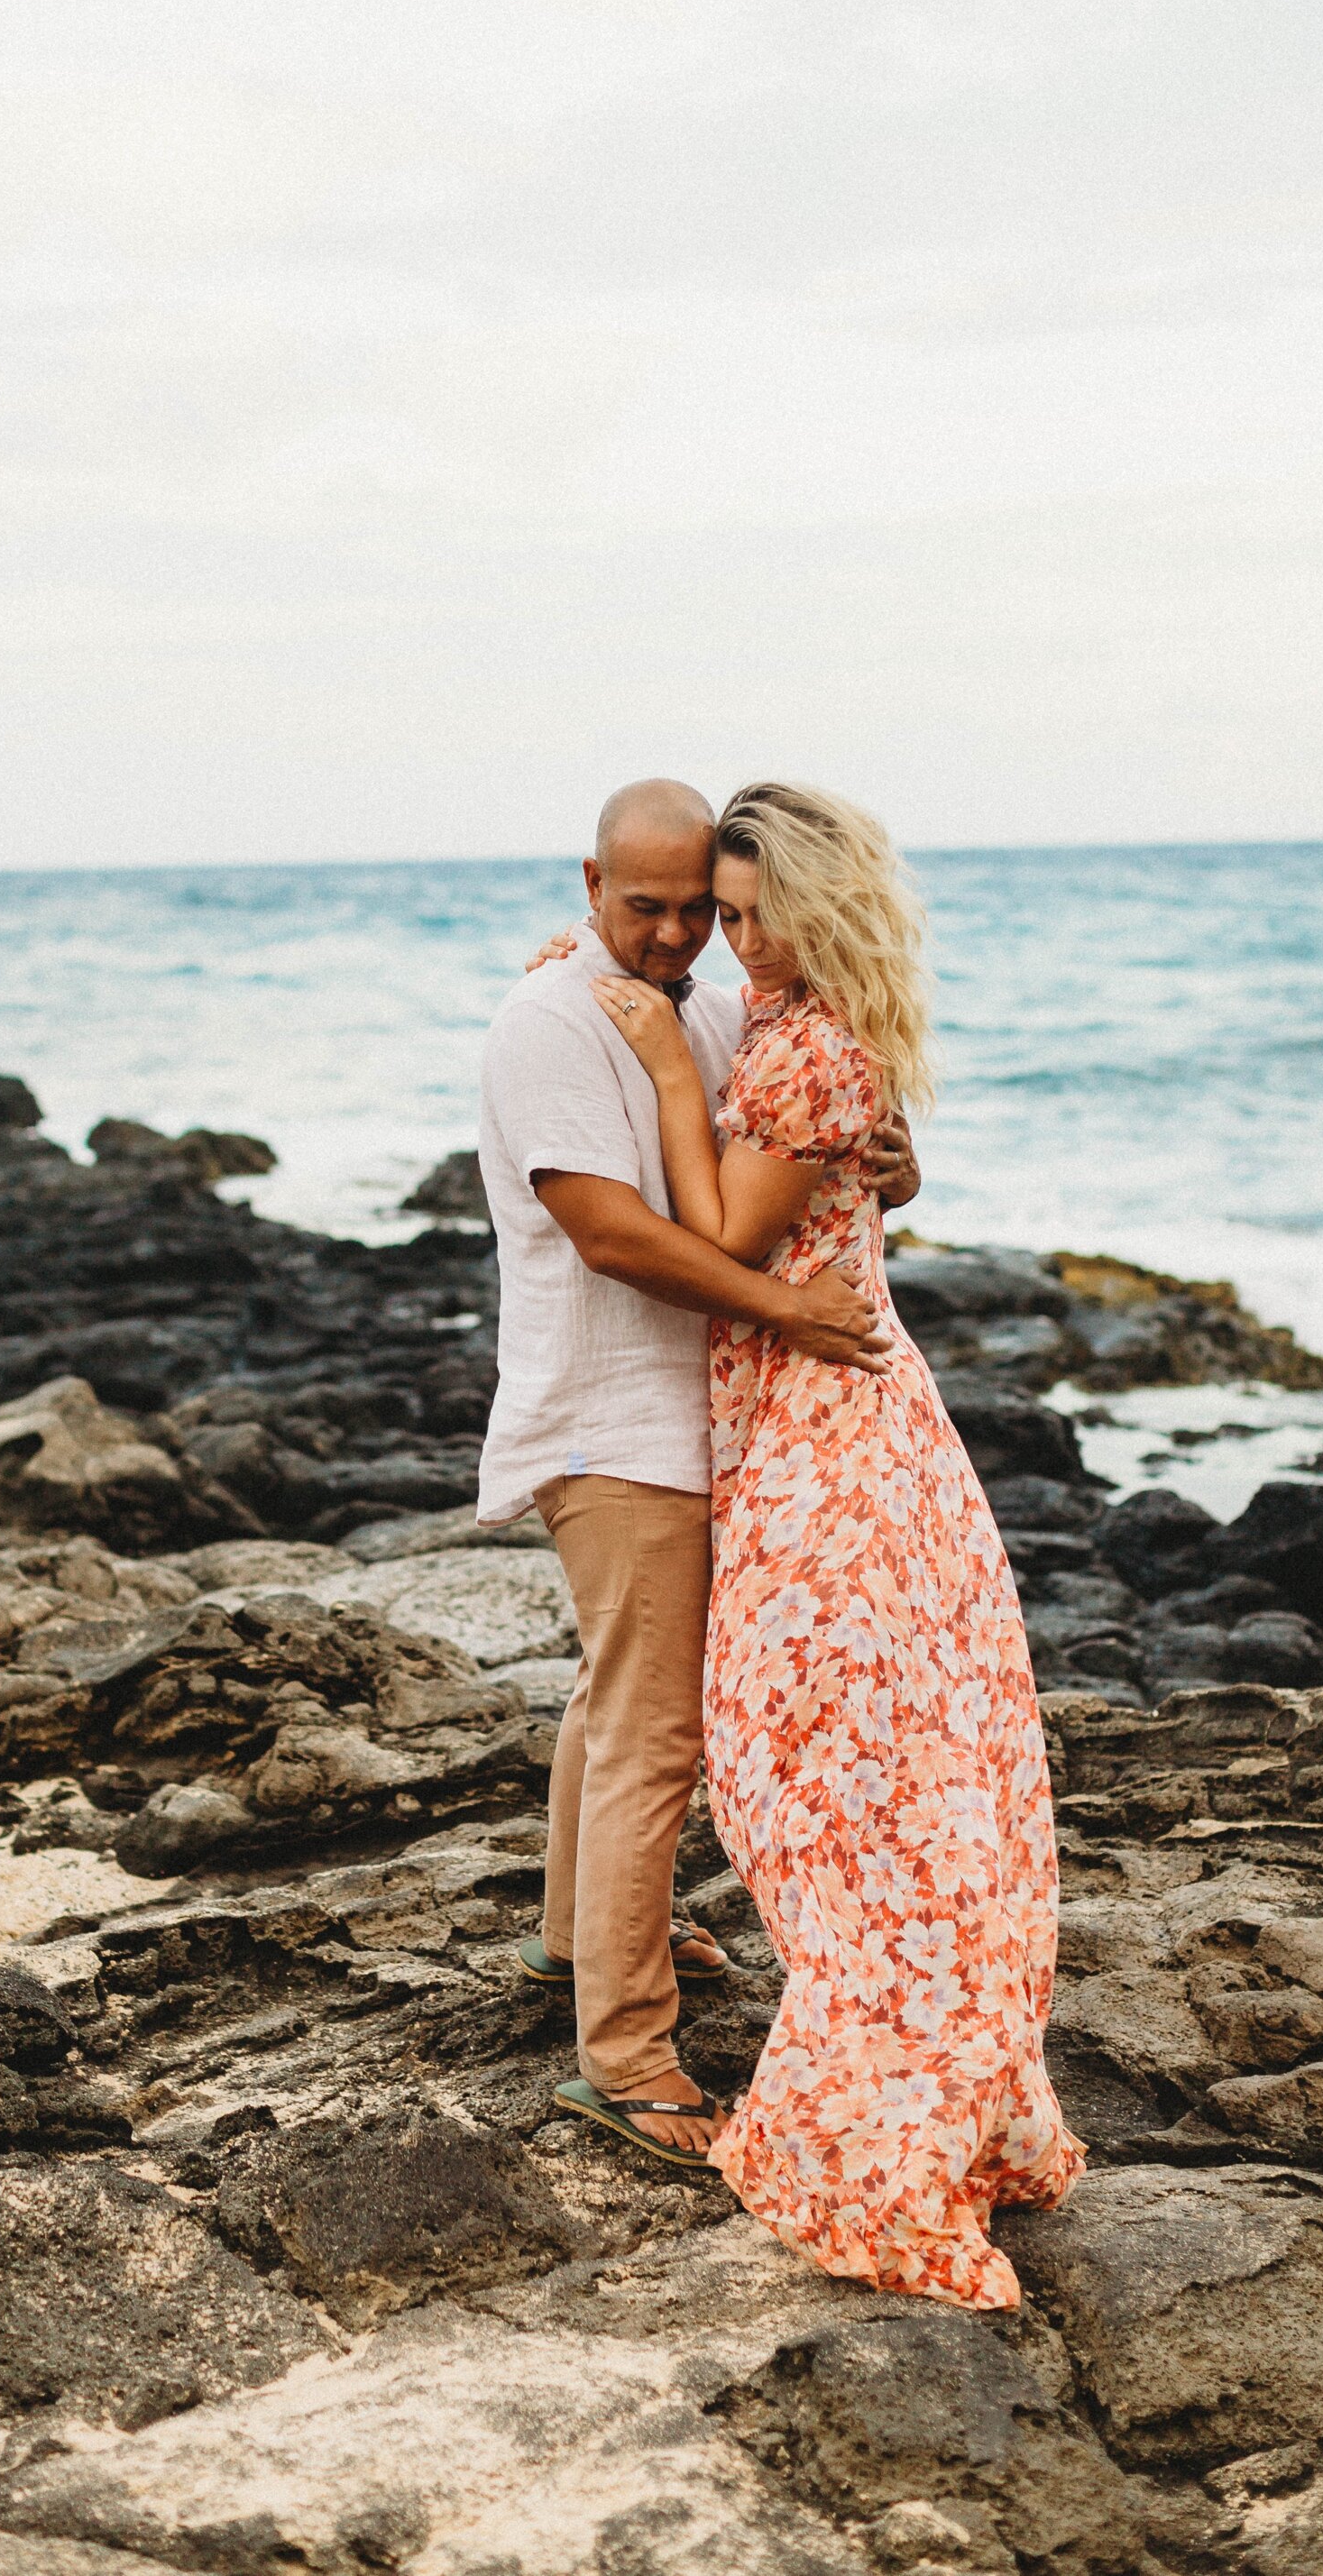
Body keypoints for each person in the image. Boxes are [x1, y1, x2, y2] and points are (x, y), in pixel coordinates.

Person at [590, 777, 1082, 2307]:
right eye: (712, 918)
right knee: (876, 1752)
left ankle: (889, 2085)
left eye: (748, 917)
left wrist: (668, 1066)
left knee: (814, 1750)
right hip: (828, 1423)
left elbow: (722, 1240)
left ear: (812, 909)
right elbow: (834, 1177)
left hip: (831, 1436)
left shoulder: (796, 1047)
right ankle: (936, 2051)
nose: (727, 948)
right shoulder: (812, 1026)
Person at [476, 778, 914, 2163]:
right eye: (647, 906)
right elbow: (609, 1230)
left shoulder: (710, 1004)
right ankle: (626, 2058)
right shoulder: (549, 1020)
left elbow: (791, 1141)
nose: (675, 936)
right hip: (611, 1424)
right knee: (661, 1736)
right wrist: (790, 1311)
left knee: (620, 1699)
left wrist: (881, 1159)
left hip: (697, 1415)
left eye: (698, 910)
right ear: (589, 882)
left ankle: (573, 1941)